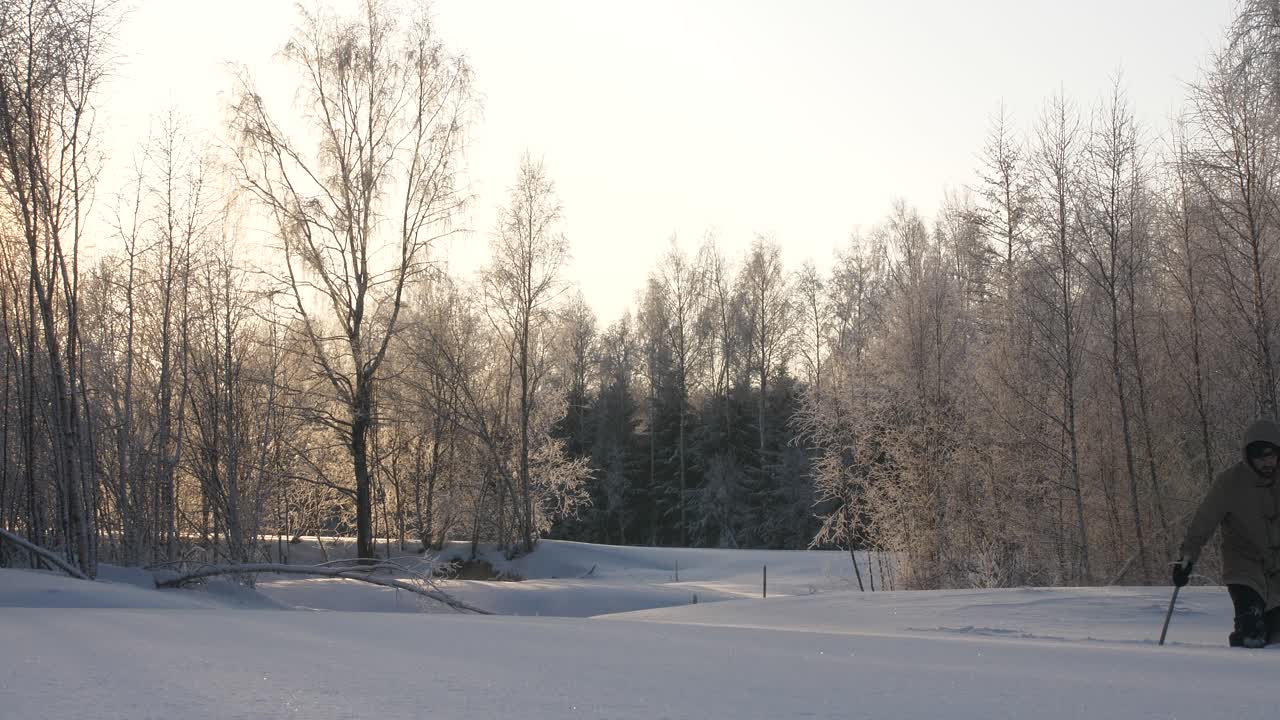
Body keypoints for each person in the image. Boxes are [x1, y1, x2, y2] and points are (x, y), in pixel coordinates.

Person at [1174, 418, 1280, 648]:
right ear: (1249, 456)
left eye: (1272, 456)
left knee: (1275, 637)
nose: (1268, 463)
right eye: (1261, 457)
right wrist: (1187, 559)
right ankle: (1239, 661)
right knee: (1252, 633)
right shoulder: (1229, 483)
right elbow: (1204, 522)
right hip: (1244, 567)